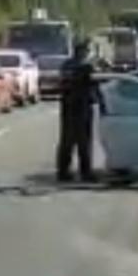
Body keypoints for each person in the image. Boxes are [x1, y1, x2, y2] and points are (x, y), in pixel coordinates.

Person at [56, 39, 105, 183]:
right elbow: (97, 83)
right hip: (79, 105)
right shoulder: (85, 66)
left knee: (69, 140)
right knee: (81, 140)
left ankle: (64, 171)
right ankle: (84, 172)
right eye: (87, 50)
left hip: (71, 104)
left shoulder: (68, 65)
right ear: (82, 51)